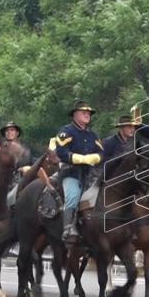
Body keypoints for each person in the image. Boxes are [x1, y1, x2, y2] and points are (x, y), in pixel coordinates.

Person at [54, 100, 103, 242]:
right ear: (75, 114)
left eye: (89, 113)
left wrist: (94, 158)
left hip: (90, 174)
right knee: (73, 196)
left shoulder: (93, 135)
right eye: (84, 112)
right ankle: (68, 227)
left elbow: (101, 153)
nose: (87, 115)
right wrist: (80, 159)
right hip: (71, 173)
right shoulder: (66, 131)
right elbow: (62, 152)